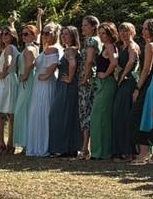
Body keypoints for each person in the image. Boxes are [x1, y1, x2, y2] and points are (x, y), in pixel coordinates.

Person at [25, 23, 61, 157]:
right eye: (44, 33)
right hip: (39, 84)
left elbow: (54, 64)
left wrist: (46, 75)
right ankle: (38, 145)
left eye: (48, 33)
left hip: (45, 84)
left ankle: (43, 146)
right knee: (38, 113)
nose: (45, 36)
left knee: (43, 113)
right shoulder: (46, 48)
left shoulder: (52, 49)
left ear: (55, 34)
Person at [132, 20, 153, 164]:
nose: (143, 32)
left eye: (146, 29)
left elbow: (146, 69)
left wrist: (137, 88)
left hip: (149, 82)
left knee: (140, 115)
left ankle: (144, 152)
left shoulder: (150, 45)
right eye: (143, 28)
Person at [48, 26, 82, 157]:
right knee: (69, 115)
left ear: (73, 36)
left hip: (67, 86)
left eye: (67, 34)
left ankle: (63, 148)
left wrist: (69, 78)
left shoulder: (70, 49)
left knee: (58, 115)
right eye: (62, 34)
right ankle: (69, 148)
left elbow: (73, 64)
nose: (63, 36)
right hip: (66, 85)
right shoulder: (69, 49)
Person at [89, 22, 119, 160]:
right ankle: (100, 150)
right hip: (102, 83)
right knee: (100, 117)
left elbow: (114, 62)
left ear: (110, 34)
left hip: (106, 83)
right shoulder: (105, 46)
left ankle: (101, 151)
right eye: (99, 33)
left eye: (104, 33)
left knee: (100, 117)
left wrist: (106, 74)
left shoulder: (109, 46)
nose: (101, 36)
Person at [111, 23, 140, 159]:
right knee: (118, 114)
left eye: (127, 31)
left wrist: (122, 76)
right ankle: (121, 149)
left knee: (124, 114)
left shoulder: (133, 46)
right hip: (122, 80)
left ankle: (129, 150)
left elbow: (131, 62)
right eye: (121, 31)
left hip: (129, 81)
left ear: (132, 32)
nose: (123, 33)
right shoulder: (121, 47)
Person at [0, 25, 20, 154]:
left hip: (6, 80)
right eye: (3, 34)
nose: (4, 36)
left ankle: (2, 143)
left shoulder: (9, 48)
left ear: (13, 35)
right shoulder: (13, 48)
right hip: (12, 79)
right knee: (10, 113)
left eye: (7, 34)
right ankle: (10, 144)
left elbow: (8, 61)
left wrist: (3, 72)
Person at [13, 24, 39, 153]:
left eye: (27, 34)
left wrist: (24, 75)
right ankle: (25, 143)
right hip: (26, 81)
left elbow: (30, 64)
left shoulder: (30, 49)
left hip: (27, 82)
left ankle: (27, 143)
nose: (24, 36)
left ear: (34, 36)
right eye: (22, 34)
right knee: (23, 110)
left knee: (23, 110)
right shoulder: (31, 48)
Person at [78, 15, 100, 159]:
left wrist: (85, 77)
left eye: (86, 25)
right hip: (89, 78)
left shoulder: (92, 41)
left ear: (93, 26)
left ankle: (85, 147)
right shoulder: (94, 40)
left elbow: (90, 61)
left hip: (88, 79)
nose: (83, 27)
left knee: (86, 112)